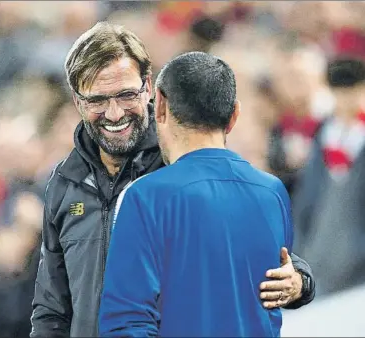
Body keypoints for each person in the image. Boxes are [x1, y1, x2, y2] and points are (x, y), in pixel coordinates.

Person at [30, 22, 315, 338]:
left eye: (126, 95)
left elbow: (262, 251)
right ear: (78, 101)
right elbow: (51, 308)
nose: (113, 113)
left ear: (149, 88)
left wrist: (300, 280)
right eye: (98, 99)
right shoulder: (64, 181)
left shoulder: (182, 165)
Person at [98, 51, 295, 337]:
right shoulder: (273, 192)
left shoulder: (146, 196)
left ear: (161, 105)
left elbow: (126, 321)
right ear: (234, 114)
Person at [292, 58, 365, 297]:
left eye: (351, 92)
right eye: (339, 93)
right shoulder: (324, 131)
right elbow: (308, 193)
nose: (345, 100)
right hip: (320, 241)